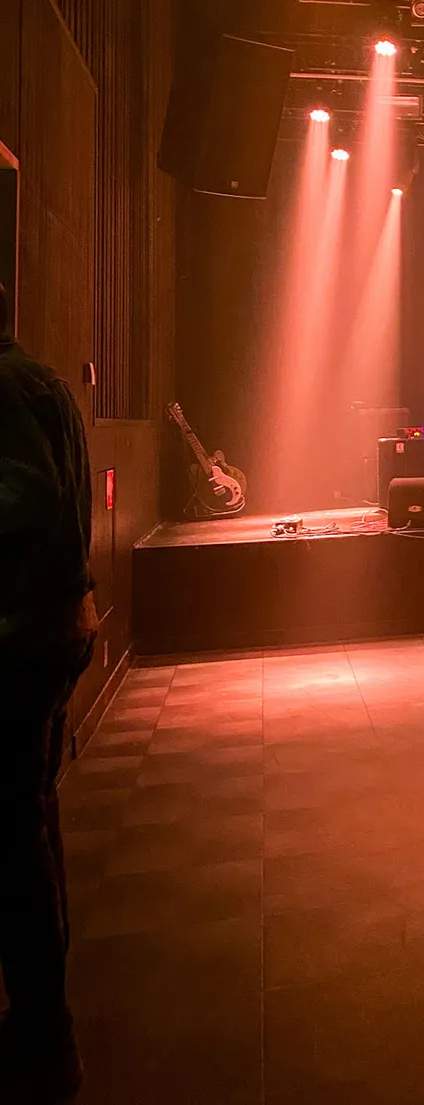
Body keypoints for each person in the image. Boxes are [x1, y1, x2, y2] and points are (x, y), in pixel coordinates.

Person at [0, 283, 97, 1102]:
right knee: (30, 814)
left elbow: (24, 504)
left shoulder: (4, 389)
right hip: (60, 624)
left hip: (20, 633)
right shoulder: (45, 382)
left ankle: (43, 1034)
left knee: (13, 829)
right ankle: (45, 1023)